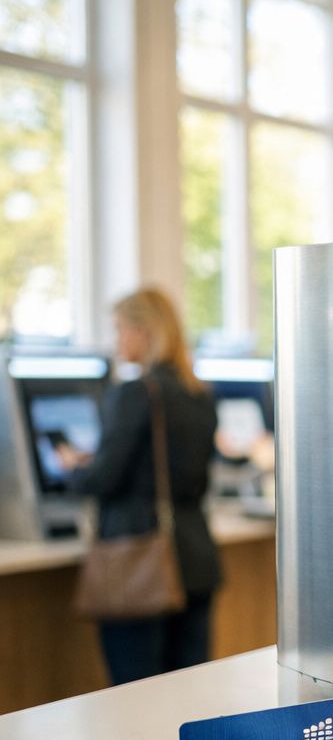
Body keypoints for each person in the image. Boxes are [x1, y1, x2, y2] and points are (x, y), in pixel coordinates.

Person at [63, 288, 222, 684]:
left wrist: (71, 468)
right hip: (195, 558)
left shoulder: (135, 393)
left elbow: (105, 478)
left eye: (120, 330)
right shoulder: (199, 392)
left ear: (144, 331)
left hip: (141, 559)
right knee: (187, 691)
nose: (116, 341)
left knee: (135, 696)